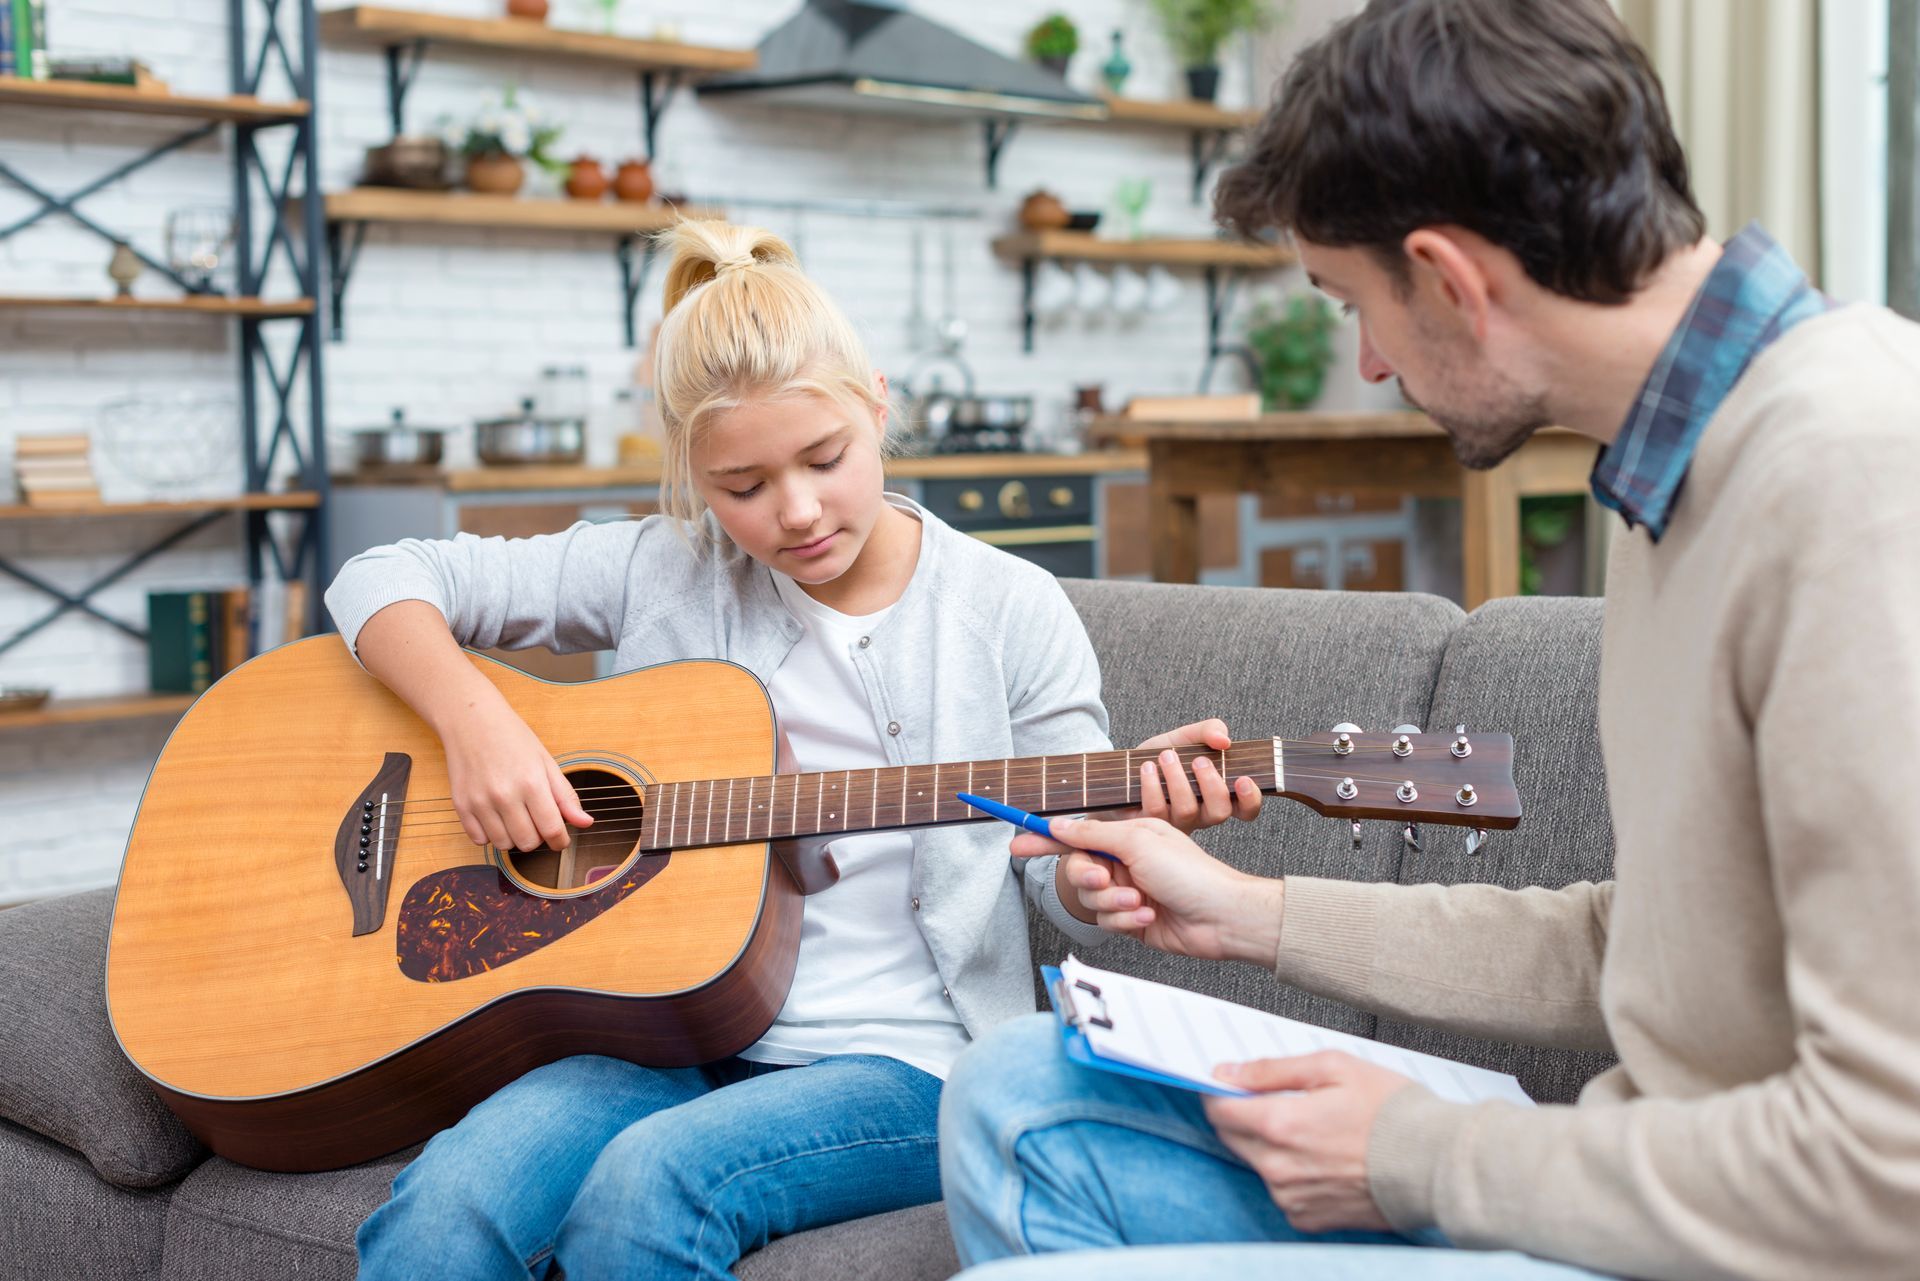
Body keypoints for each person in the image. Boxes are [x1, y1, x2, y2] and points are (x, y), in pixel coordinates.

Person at [938, 1, 1920, 1278]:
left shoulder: (1854, 482)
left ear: (1451, 281)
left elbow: (1888, 1168)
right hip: (1659, 1178)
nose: (1372, 361)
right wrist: (1245, 912)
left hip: (1764, 1238)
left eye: (1357, 304)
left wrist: (1416, 1155)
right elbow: (1655, 953)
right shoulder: (1674, 480)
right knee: (1022, 1085)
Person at [324, 220, 1258, 1281]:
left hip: (908, 1061)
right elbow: (379, 577)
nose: (797, 513)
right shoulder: (660, 568)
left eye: (826, 459)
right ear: (691, 473)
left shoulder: (1007, 607)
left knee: (647, 1192)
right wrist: (478, 727)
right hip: (664, 1037)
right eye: (743, 485)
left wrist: (1097, 880)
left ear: (878, 404)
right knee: (445, 1213)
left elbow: (1057, 880)